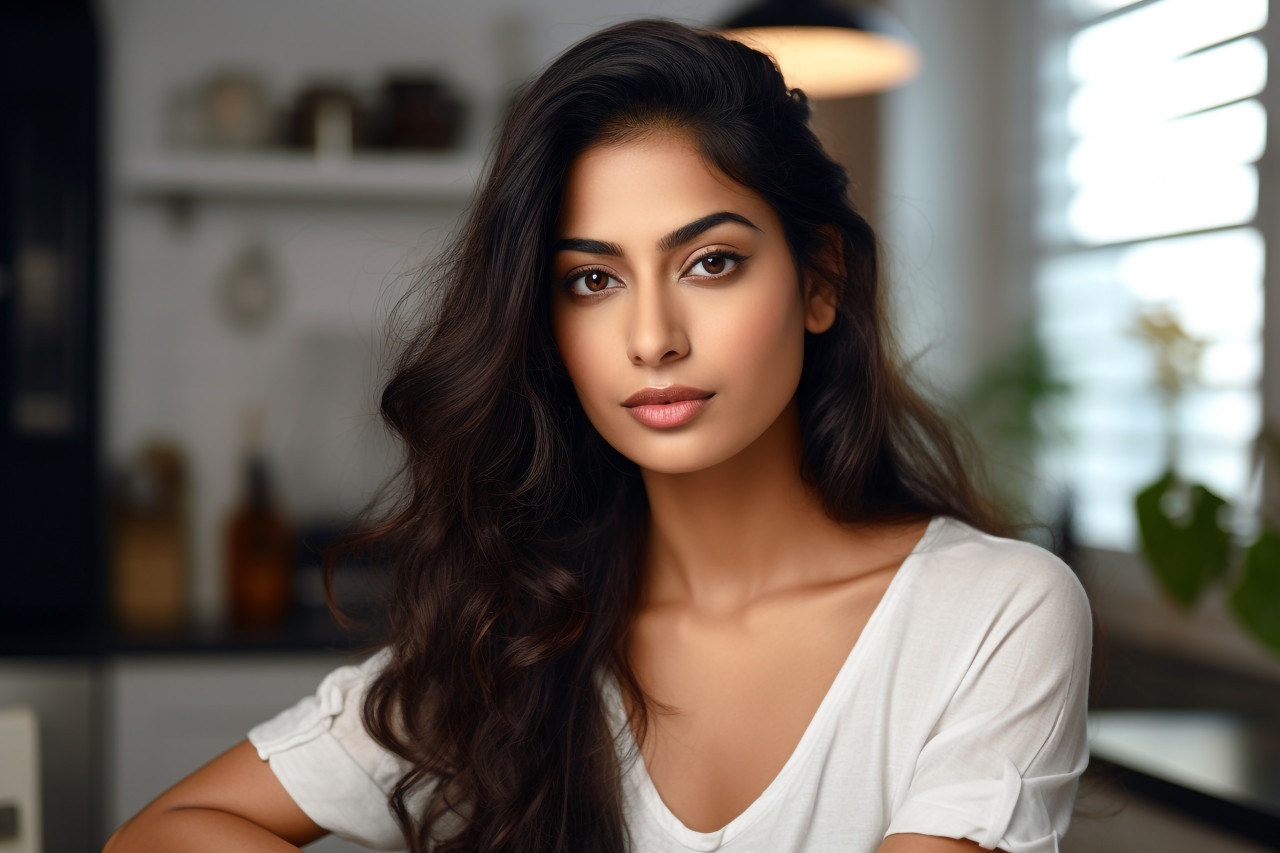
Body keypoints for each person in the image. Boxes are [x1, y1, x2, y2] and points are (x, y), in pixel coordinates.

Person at [104, 18, 1091, 853]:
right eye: (591, 279)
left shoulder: (990, 615)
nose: (651, 338)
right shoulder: (517, 633)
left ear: (819, 281)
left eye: (709, 263)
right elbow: (162, 831)